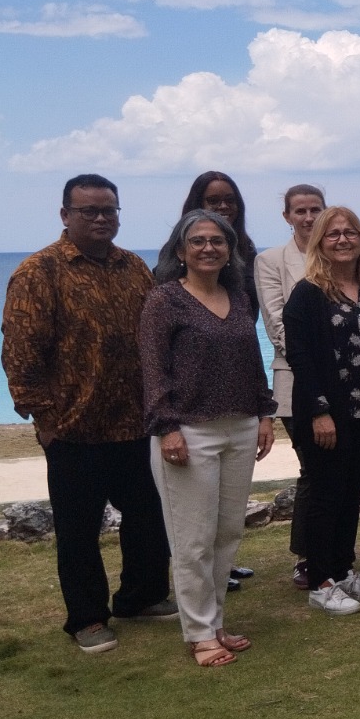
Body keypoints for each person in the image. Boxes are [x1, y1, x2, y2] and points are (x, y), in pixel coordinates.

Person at [2, 175, 176, 653]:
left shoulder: (134, 267)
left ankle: (140, 598)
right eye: (89, 211)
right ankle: (87, 618)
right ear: (65, 215)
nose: (102, 219)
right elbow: (20, 352)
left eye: (110, 210)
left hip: (134, 424)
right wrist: (43, 418)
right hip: (74, 430)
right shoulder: (39, 272)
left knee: (148, 519)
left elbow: (156, 338)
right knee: (78, 533)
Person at [139, 210, 277, 667]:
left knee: (226, 533)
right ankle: (199, 632)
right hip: (189, 431)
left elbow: (251, 359)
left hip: (239, 427)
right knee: (192, 539)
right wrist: (167, 428)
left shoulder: (236, 296)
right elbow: (153, 370)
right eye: (197, 241)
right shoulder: (164, 301)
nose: (208, 248)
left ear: (229, 249)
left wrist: (264, 413)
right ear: (180, 251)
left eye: (217, 241)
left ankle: (216, 621)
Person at [284, 207, 360, 615]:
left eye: (350, 232)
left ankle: (342, 570)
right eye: (333, 234)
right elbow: (300, 358)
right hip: (327, 416)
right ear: (320, 242)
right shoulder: (308, 294)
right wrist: (320, 411)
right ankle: (320, 580)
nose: (342, 240)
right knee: (325, 497)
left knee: (352, 495)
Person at [255, 183, 326, 589]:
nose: (308, 217)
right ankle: (306, 556)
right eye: (300, 211)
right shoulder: (271, 261)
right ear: (287, 216)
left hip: (345, 382)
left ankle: (335, 552)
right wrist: (321, 361)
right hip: (295, 381)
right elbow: (276, 323)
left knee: (343, 472)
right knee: (312, 471)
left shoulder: (340, 252)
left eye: (315, 208)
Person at [183, 170, 260, 319]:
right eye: (213, 201)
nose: (224, 206)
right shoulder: (182, 248)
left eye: (230, 200)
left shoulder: (247, 248)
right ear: (198, 204)